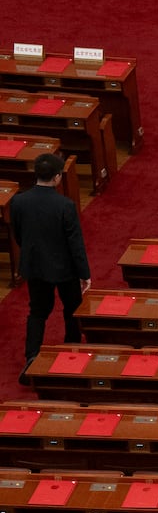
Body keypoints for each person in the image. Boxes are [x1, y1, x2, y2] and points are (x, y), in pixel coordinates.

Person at [13, 152, 90, 379]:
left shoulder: (18, 201)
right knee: (72, 309)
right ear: (57, 177)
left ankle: (32, 357)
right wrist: (84, 273)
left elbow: (19, 235)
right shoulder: (65, 205)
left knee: (37, 311)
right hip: (64, 269)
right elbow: (75, 243)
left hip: (35, 266)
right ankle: (72, 350)